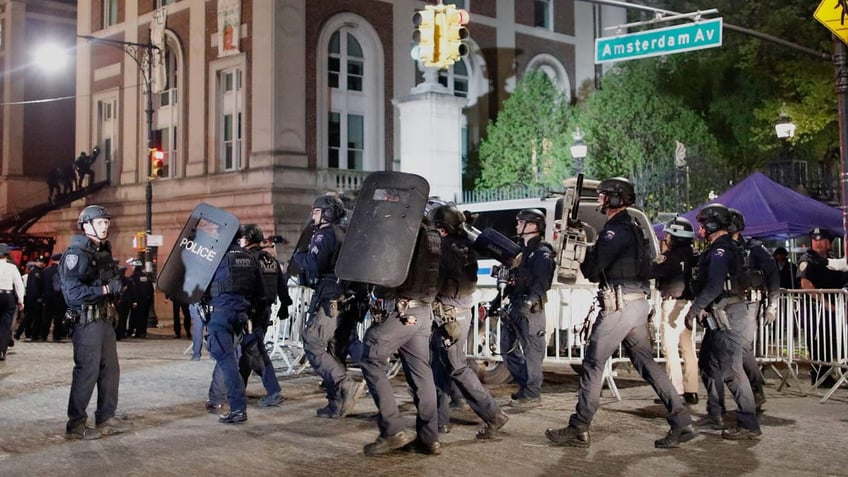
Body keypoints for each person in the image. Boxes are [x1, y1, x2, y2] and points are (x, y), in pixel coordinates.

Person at [546, 177, 697, 449]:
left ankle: (579, 427)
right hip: (634, 304)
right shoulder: (632, 226)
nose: (600, 200)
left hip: (620, 306)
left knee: (593, 363)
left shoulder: (615, 230)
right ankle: (682, 420)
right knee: (647, 365)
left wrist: (580, 248)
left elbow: (593, 272)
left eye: (604, 196)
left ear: (616, 199)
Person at [359, 218, 442, 456]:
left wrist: (379, 295)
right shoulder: (432, 234)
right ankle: (429, 439)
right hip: (422, 310)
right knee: (422, 374)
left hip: (401, 311)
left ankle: (393, 430)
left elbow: (389, 272)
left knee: (371, 359)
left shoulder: (405, 233)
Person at [428, 204, 509, 439]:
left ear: (442, 229)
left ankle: (493, 414)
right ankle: (439, 420)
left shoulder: (443, 250)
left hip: (449, 315)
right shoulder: (464, 246)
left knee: (457, 368)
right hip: (457, 312)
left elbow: (435, 283)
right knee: (439, 368)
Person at [688, 203, 761, 440]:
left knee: (732, 370)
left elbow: (715, 284)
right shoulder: (720, 247)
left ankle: (748, 424)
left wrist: (694, 309)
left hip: (727, 314)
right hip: (720, 315)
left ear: (712, 224)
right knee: (708, 363)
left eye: (702, 225)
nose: (700, 230)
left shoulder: (722, 250)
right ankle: (715, 414)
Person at [60, 205, 132, 439]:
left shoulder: (102, 251)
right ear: (86, 225)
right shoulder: (76, 253)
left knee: (110, 370)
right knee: (86, 372)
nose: (105, 227)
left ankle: (106, 416)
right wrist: (103, 289)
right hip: (86, 320)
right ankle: (76, 424)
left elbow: (110, 280)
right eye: (100, 223)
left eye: (106, 223)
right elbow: (72, 293)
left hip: (104, 317)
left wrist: (117, 288)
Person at [293, 195, 365, 419]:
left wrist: (299, 256)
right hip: (345, 296)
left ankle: (345, 384)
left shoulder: (325, 234)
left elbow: (315, 265)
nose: (313, 215)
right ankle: (336, 403)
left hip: (329, 295)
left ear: (328, 213)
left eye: (316, 211)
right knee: (334, 349)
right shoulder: (345, 234)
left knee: (313, 342)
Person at [490, 208, 554, 408]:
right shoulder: (520, 252)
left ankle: (533, 394)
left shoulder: (542, 252)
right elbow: (513, 281)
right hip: (514, 306)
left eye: (521, 222)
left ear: (533, 225)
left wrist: (529, 302)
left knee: (532, 353)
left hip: (530, 311)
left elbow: (543, 283)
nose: (517, 225)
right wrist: (495, 303)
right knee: (506, 350)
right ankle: (526, 386)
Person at [204, 227, 266, 424]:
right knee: (231, 359)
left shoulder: (216, 257)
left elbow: (199, 285)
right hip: (241, 315)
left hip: (220, 314)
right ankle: (231, 404)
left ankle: (238, 408)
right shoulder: (249, 257)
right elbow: (260, 291)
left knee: (226, 362)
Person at [729, 209, 780, 411]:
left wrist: (772, 305)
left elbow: (772, 274)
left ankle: (756, 388)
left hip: (749, 303)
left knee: (741, 346)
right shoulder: (721, 247)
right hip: (727, 304)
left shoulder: (754, 247)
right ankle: (748, 391)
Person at [239, 223, 290, 408]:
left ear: (249, 238)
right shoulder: (270, 260)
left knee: (255, 350)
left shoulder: (248, 259)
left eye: (242, 237)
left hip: (252, 311)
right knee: (247, 351)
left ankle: (274, 391)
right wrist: (285, 304)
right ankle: (238, 389)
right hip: (265, 310)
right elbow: (281, 286)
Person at [651, 216, 699, 405]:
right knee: (688, 348)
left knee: (670, 348)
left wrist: (660, 256)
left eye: (669, 234)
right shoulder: (694, 255)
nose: (666, 238)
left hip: (672, 304)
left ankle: (675, 391)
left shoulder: (671, 256)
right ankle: (691, 390)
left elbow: (654, 271)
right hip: (689, 304)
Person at [796, 227, 848, 387]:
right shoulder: (807, 258)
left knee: (837, 342)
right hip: (815, 308)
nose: (818, 243)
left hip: (834, 309)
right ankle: (820, 377)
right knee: (819, 342)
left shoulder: (832, 260)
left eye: (822, 240)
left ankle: (837, 374)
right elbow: (805, 283)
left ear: (829, 243)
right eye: (815, 240)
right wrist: (825, 303)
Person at [0, 243, 25, 361]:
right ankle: (1, 351)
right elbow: (19, 285)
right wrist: (21, 301)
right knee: (5, 326)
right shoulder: (12, 267)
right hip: (8, 296)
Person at [40, 253, 68, 341]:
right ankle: (56, 336)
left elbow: (41, 286)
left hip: (48, 298)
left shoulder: (45, 271)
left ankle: (43, 336)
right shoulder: (64, 272)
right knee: (58, 318)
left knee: (46, 318)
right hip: (60, 299)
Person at [15, 262, 44, 341]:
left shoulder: (30, 273)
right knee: (36, 318)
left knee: (28, 317)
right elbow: (35, 288)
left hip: (28, 298)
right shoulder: (37, 273)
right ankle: (33, 335)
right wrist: (39, 298)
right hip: (34, 299)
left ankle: (19, 333)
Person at [128, 260, 154, 338]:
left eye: (132, 266)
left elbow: (132, 290)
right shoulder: (146, 277)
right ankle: (143, 332)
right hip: (146, 301)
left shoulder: (133, 277)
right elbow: (151, 289)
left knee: (135, 317)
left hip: (137, 301)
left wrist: (133, 300)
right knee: (144, 317)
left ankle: (135, 332)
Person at [114, 265, 133, 340]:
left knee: (117, 318)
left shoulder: (116, 281)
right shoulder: (128, 280)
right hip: (126, 302)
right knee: (124, 318)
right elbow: (132, 292)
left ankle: (117, 333)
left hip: (118, 302)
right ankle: (122, 333)